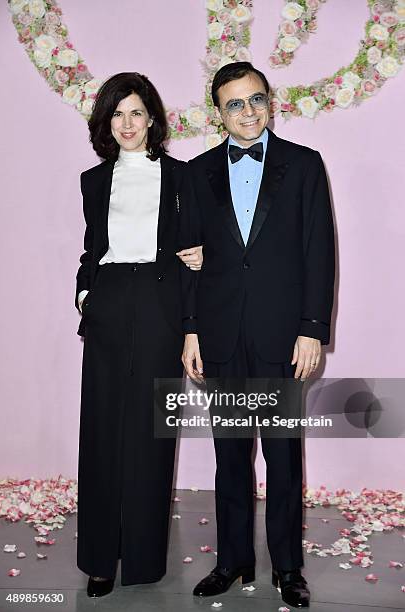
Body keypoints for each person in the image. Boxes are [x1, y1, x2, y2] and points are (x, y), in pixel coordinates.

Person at [182, 62, 335, 608]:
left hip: (281, 337)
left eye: (256, 100)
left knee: (284, 457)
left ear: (270, 101)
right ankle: (231, 560)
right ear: (217, 113)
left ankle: (288, 568)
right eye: (235, 104)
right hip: (221, 335)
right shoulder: (196, 173)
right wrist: (192, 329)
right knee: (229, 458)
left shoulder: (304, 165)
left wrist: (312, 330)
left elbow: (319, 252)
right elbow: (189, 261)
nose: (248, 112)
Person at [75, 72, 202, 598]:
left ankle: (145, 560)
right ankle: (101, 559)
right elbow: (92, 247)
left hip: (159, 304)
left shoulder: (182, 176)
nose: (126, 124)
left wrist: (190, 325)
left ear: (152, 118)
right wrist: (85, 292)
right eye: (116, 114)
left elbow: (195, 251)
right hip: (108, 303)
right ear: (107, 122)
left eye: (135, 113)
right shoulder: (93, 180)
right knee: (101, 431)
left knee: (153, 432)